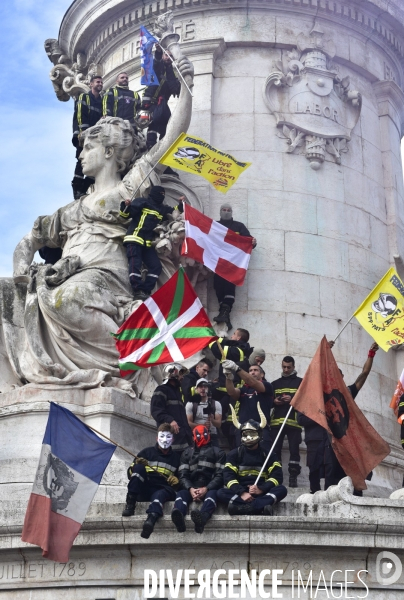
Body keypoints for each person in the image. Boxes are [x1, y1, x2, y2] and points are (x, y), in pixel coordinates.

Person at [300, 341, 379, 493]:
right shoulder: (322, 396)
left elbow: (364, 375)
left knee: (353, 475)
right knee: (330, 478)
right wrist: (325, 352)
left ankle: (356, 500)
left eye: (340, 376)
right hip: (330, 443)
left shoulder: (348, 393)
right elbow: (315, 373)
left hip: (349, 442)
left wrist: (371, 355)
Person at [217, 405, 287, 515]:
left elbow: (277, 477)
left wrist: (262, 489)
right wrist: (242, 493)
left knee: (282, 490)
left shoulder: (268, 454)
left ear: (259, 435)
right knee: (220, 493)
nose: (249, 437)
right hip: (242, 491)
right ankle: (260, 506)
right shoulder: (234, 454)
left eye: (252, 433)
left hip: (261, 491)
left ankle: (243, 508)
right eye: (245, 434)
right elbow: (228, 477)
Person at [119, 186, 184, 300]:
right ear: (153, 193)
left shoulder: (162, 208)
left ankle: (146, 290)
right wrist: (126, 205)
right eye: (159, 193)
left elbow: (174, 211)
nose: (161, 196)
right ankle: (137, 290)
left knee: (156, 266)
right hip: (134, 238)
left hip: (147, 243)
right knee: (135, 263)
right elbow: (125, 215)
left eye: (163, 194)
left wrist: (180, 204)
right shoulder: (141, 202)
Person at [121, 423, 180, 539]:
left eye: (168, 437)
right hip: (145, 489)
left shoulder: (177, 459)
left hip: (162, 489)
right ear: (157, 438)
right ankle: (130, 504)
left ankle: (151, 520)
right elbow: (130, 474)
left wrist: (177, 482)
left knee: (160, 495)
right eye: (162, 436)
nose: (164, 440)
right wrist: (135, 466)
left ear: (172, 439)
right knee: (138, 468)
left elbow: (181, 482)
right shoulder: (146, 453)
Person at [171, 424, 226, 533]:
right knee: (181, 495)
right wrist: (190, 489)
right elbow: (183, 475)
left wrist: (206, 489)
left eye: (204, 434)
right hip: (191, 487)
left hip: (210, 488)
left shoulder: (218, 453)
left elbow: (220, 475)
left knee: (212, 496)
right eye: (199, 435)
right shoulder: (186, 453)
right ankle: (179, 518)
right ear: (193, 437)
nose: (201, 437)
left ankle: (202, 518)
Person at [213, 204, 257, 330]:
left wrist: (253, 243)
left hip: (232, 262)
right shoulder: (215, 225)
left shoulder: (238, 226)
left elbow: (248, 240)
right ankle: (223, 311)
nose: (226, 212)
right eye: (224, 210)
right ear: (220, 211)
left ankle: (226, 311)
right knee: (217, 286)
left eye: (228, 210)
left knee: (229, 286)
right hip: (218, 262)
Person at [208, 329, 253, 447]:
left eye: (234, 334)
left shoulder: (238, 350)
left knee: (228, 423)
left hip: (230, 393)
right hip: (225, 391)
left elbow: (219, 351)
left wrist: (211, 340)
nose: (232, 336)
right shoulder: (239, 348)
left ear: (238, 338)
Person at [223, 360, 273, 452]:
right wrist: (228, 377)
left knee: (262, 457)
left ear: (262, 375)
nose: (252, 372)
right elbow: (231, 392)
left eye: (255, 370)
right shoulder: (244, 389)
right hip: (244, 429)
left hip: (260, 429)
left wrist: (237, 368)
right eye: (250, 370)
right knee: (241, 457)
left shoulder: (267, 385)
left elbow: (253, 382)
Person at [270, 356, 303, 488]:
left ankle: (293, 476)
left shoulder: (301, 383)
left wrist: (293, 399)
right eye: (284, 367)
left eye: (289, 367)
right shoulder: (275, 383)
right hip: (277, 423)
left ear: (294, 367)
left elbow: (306, 399)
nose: (286, 369)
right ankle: (277, 476)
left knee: (294, 451)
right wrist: (274, 401)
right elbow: (268, 401)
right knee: (275, 450)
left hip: (294, 423)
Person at [141, 45, 181, 151]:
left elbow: (175, 88)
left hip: (163, 103)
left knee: (167, 124)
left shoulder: (173, 72)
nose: (168, 57)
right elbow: (156, 63)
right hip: (151, 101)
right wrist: (158, 52)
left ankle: (163, 147)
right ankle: (150, 146)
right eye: (166, 55)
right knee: (153, 123)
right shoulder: (158, 66)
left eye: (171, 56)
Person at [72, 75, 104, 199]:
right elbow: (81, 116)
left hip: (95, 136)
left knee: (97, 160)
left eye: (101, 82)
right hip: (83, 135)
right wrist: (85, 133)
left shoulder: (101, 100)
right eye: (97, 82)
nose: (100, 84)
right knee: (82, 161)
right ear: (91, 84)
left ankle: (85, 188)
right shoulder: (84, 97)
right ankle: (77, 189)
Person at [150, 363, 193, 454]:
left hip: (184, 440)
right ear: (173, 374)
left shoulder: (178, 393)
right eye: (181, 374)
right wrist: (170, 420)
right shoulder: (161, 390)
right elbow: (156, 411)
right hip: (171, 440)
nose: (182, 377)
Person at [185, 378, 222, 447]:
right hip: (197, 435)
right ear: (196, 389)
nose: (203, 389)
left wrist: (212, 420)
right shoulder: (191, 404)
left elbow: (218, 424)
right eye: (200, 387)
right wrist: (203, 426)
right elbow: (188, 423)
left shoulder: (216, 404)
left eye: (205, 386)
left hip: (212, 435)